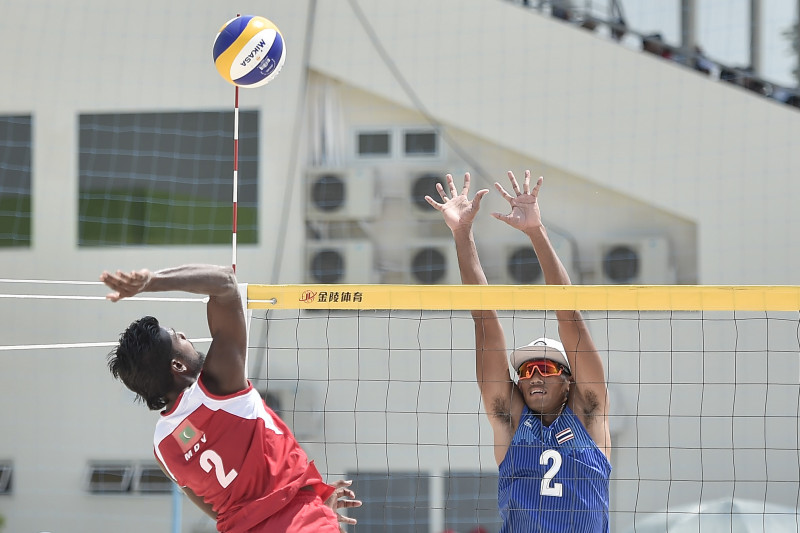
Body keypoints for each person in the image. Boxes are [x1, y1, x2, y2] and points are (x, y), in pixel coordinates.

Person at [101, 264, 361, 532]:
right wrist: (151, 281)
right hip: (301, 522)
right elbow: (225, 282)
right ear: (178, 366)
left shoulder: (163, 447)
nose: (186, 336)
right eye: (178, 337)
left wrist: (311, 501)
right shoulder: (218, 385)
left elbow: (221, 512)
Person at [425, 172, 611, 532]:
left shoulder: (588, 413)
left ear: (569, 381)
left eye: (545, 367)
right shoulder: (511, 421)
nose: (535, 376)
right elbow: (484, 322)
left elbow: (570, 318)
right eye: (525, 371)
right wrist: (462, 235)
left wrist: (535, 231)